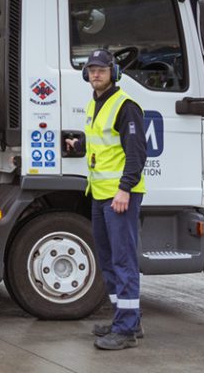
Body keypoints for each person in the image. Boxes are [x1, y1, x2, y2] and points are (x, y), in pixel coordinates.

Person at [82, 47, 146, 351]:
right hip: (99, 194)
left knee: (123, 260)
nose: (96, 73)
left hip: (120, 196)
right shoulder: (95, 105)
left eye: (102, 69)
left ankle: (126, 330)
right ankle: (126, 318)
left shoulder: (125, 106)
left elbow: (136, 153)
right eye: (92, 69)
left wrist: (125, 189)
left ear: (114, 73)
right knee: (107, 260)